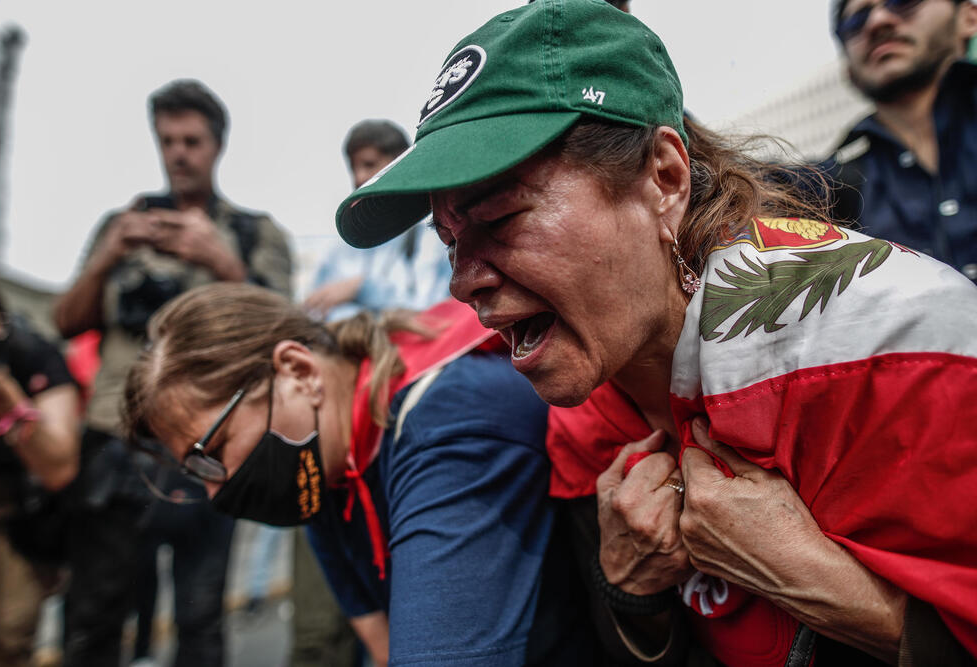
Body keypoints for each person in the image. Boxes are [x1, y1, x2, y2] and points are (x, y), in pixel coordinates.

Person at [334, 1, 977, 664]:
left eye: (500, 220)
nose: (462, 282)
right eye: (449, 241)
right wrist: (631, 592)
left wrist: (838, 594)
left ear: (664, 179)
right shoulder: (585, 413)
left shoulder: (888, 357)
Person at [122, 282, 595, 666]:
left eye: (213, 451)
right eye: (195, 470)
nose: (212, 488)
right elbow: (382, 642)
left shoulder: (447, 418)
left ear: (298, 370)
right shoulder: (323, 468)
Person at [52, 79, 292, 667]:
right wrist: (109, 254)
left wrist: (221, 261)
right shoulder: (121, 226)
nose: (178, 153)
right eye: (167, 141)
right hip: (117, 441)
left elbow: (287, 334)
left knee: (200, 617)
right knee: (94, 616)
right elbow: (65, 321)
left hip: (209, 447)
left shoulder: (254, 233)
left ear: (217, 146)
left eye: (191, 141)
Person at [823, 0, 977, 282]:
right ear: (849, 73)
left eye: (903, 2)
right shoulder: (831, 187)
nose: (877, 21)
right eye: (855, 21)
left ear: (970, 17)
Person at [0, 276, 80, 667]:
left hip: (22, 506)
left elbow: (58, 467)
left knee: (10, 631)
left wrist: (4, 396)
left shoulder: (31, 354)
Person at [303, 119, 450, 321]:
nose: (359, 177)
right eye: (353, 168)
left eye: (369, 165)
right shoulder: (339, 250)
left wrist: (361, 289)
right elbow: (315, 314)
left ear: (401, 164)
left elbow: (435, 316)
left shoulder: (436, 238)